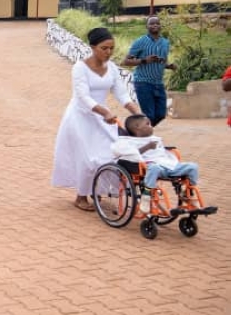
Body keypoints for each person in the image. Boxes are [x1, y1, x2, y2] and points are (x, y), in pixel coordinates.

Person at [52, 27, 141, 211]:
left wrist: (136, 112)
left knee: (108, 155)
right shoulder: (80, 68)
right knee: (87, 158)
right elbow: (83, 97)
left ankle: (97, 191)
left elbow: (122, 94)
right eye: (104, 48)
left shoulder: (113, 69)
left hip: (102, 117)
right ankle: (80, 197)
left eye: (111, 48)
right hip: (80, 117)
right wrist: (104, 112)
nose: (108, 52)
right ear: (93, 47)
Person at [112, 114, 200, 214]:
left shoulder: (154, 139)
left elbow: (162, 151)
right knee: (154, 168)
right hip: (148, 167)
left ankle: (188, 193)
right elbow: (129, 153)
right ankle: (146, 195)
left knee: (192, 167)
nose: (151, 126)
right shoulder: (128, 141)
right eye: (148, 124)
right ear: (137, 127)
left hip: (167, 165)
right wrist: (147, 147)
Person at [121, 16, 176, 127]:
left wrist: (169, 66)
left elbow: (162, 61)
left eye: (157, 23)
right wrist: (144, 60)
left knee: (161, 114)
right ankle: (144, 134)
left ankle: (140, 131)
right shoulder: (140, 42)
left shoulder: (165, 42)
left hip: (158, 83)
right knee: (149, 115)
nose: (155, 25)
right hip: (143, 82)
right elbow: (126, 61)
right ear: (146, 26)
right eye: (151, 23)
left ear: (160, 26)